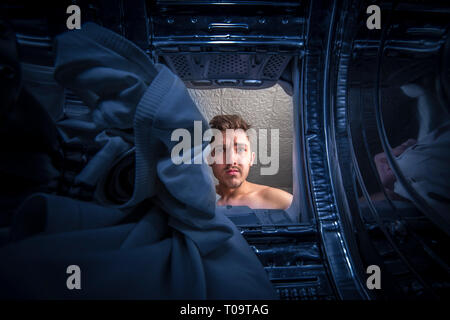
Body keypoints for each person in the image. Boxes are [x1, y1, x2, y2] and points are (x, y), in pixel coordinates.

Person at [208, 114, 293, 210]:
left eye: (240, 150)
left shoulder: (282, 202)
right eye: (221, 150)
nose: (231, 161)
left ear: (251, 159)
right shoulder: (196, 199)